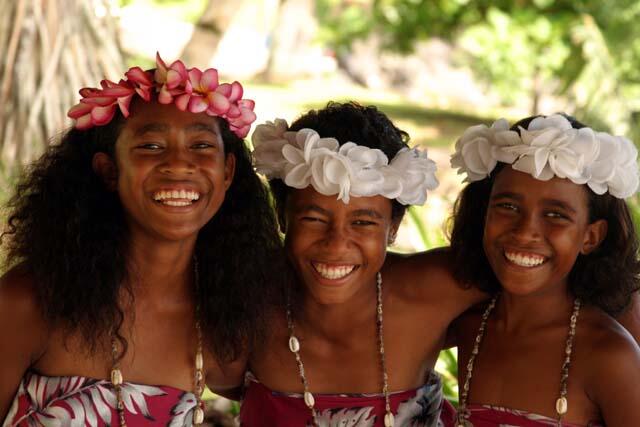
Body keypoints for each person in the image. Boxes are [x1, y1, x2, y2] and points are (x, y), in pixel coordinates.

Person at [0, 53, 283, 426]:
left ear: (227, 172)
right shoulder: (30, 303)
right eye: (151, 147)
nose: (180, 164)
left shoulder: (226, 321)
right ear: (109, 170)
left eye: (201, 146)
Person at [241, 102, 486, 426]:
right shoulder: (247, 293)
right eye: (313, 218)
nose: (336, 243)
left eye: (363, 223)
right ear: (282, 215)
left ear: (393, 227)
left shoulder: (435, 290)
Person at [448, 114, 640, 426]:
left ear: (591, 236)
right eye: (508, 207)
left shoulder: (610, 356)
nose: (525, 233)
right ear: (483, 213)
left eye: (555, 215)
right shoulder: (471, 326)